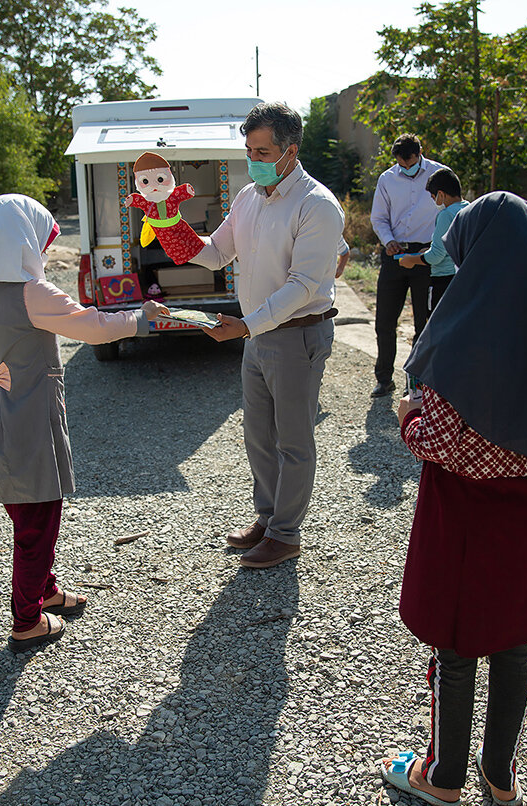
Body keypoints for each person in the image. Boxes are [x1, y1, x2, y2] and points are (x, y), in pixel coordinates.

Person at [380, 192, 527, 806]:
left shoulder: (461, 329)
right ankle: (500, 775)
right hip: (522, 511)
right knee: (510, 638)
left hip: (460, 514)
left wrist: (407, 418)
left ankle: (443, 776)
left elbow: (442, 440)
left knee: (453, 645)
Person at [0, 194, 168, 650]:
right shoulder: (31, 294)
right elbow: (91, 327)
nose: (44, 250)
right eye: (40, 239)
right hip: (29, 414)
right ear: (21, 240)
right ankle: (26, 619)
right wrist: (141, 317)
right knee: (38, 520)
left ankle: (44, 590)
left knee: (29, 510)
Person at [190, 102, 345, 569]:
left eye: (261, 150)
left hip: (297, 335)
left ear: (290, 151)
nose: (252, 159)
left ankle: (285, 534)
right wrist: (171, 227)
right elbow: (217, 253)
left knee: (293, 440)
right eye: (248, 150)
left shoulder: (316, 205)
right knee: (258, 434)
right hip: (258, 336)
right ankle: (269, 516)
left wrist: (247, 325)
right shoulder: (249, 196)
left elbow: (304, 286)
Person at [368, 133, 450, 398]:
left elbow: (450, 211)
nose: (406, 168)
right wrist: (389, 240)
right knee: (385, 321)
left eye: (410, 163)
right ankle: (384, 379)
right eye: (401, 164)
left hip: (427, 256)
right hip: (395, 254)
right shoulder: (387, 179)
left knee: (423, 323)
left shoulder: (440, 174)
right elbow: (379, 217)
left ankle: (417, 381)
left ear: (420, 154)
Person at [398, 167, 467, 312]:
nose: (434, 200)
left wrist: (411, 260)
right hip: (462, 278)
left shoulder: (446, 215)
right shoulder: (467, 209)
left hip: (443, 280)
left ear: (440, 194)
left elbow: (436, 256)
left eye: (433, 196)